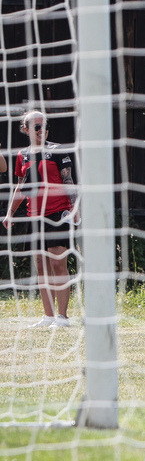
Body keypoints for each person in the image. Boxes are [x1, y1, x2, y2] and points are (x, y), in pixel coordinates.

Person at [3, 111, 75, 329]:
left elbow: (68, 180)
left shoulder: (56, 151)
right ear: (25, 130)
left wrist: (75, 207)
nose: (41, 130)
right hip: (34, 216)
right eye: (36, 127)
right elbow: (20, 186)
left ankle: (62, 317)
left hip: (57, 213)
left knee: (57, 263)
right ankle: (49, 316)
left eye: (44, 126)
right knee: (41, 267)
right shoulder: (22, 155)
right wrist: (10, 212)